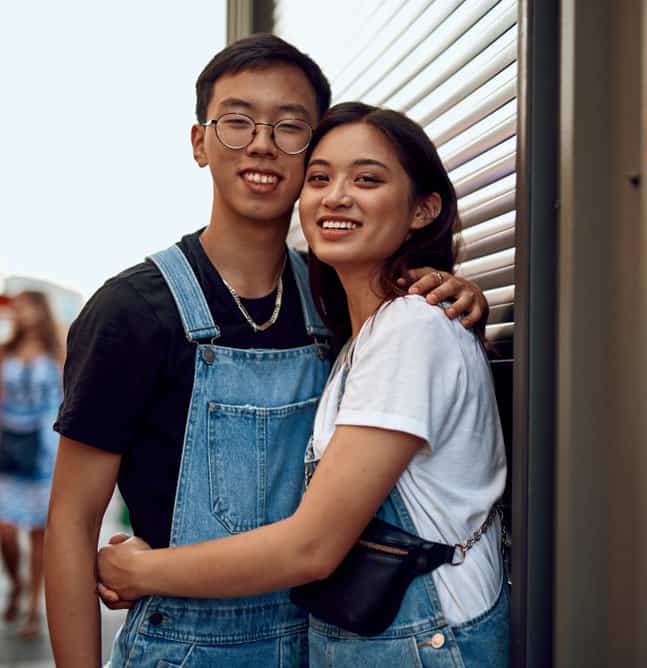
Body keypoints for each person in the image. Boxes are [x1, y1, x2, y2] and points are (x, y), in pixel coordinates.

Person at [45, 36, 488, 667]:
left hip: (323, 641)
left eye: (289, 127)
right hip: (185, 649)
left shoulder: (337, 299)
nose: (261, 143)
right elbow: (70, 523)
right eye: (237, 122)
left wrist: (454, 289)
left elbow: (413, 342)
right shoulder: (133, 312)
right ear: (199, 143)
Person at [0, 291, 63, 640]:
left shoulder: (58, 352)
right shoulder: (6, 351)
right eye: (19, 306)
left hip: (44, 449)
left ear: (42, 309)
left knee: (40, 534)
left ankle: (32, 608)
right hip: (9, 445)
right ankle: (17, 583)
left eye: (28, 305)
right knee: (5, 530)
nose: (22, 312)